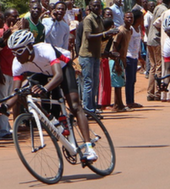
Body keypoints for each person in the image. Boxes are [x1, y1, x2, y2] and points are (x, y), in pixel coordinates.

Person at [0, 30, 98, 161]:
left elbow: (58, 76)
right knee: (23, 92)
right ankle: (50, 118)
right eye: (13, 52)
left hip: (62, 68)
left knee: (74, 105)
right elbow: (15, 93)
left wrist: (44, 88)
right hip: (43, 73)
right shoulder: (17, 63)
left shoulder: (44, 50)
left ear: (29, 47)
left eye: (19, 51)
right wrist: (5, 107)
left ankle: (89, 148)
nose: (16, 56)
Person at [79, 0, 118, 114]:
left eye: (98, 6)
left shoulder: (99, 19)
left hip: (96, 55)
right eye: (94, 6)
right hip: (87, 55)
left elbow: (101, 38)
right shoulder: (88, 19)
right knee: (88, 82)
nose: (97, 8)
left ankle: (92, 106)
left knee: (95, 82)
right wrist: (105, 33)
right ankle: (87, 108)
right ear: (90, 7)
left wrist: (110, 34)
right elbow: (89, 35)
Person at [110, 12, 133, 111]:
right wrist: (116, 63)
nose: (129, 19)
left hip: (121, 58)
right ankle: (117, 105)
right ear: (123, 18)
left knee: (119, 83)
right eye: (127, 17)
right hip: (116, 59)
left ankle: (119, 104)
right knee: (117, 83)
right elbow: (114, 47)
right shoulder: (121, 31)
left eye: (131, 18)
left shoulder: (130, 30)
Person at [125, 10, 144, 108]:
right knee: (129, 80)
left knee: (133, 80)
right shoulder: (131, 29)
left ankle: (131, 100)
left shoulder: (138, 28)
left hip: (135, 56)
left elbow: (138, 45)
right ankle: (129, 101)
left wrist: (140, 57)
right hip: (129, 56)